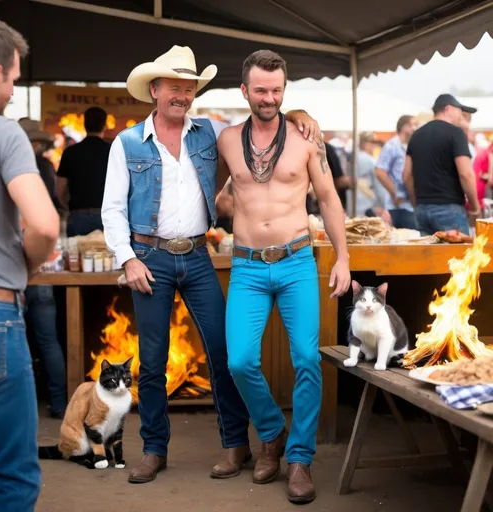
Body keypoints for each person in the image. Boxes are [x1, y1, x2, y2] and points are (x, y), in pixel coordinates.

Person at [101, 45, 321, 484]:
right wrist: (127, 260)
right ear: (154, 90)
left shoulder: (208, 133)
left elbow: (262, 116)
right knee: (153, 362)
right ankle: (154, 449)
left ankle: (236, 444)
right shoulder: (126, 143)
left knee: (225, 355)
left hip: (199, 256)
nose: (182, 95)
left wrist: (297, 111)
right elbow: (112, 210)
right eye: (174, 88)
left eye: (189, 88)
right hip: (149, 258)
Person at [215, 50, 350, 504]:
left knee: (307, 360)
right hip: (248, 266)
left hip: (296, 263)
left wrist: (343, 258)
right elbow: (216, 192)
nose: (269, 98)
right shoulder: (228, 140)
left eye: (277, 90)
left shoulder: (305, 139)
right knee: (239, 361)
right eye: (260, 90)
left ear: (284, 90)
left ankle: (299, 459)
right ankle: (271, 433)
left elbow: (329, 200)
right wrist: (228, 207)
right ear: (244, 91)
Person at [0, 17, 59, 511]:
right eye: (12, 78)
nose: (11, 89)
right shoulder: (4, 135)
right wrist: (24, 270)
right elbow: (45, 225)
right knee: (11, 479)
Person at [18, 118, 67, 419]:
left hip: (18, 265)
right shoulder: (47, 168)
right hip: (47, 262)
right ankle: (60, 402)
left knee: (19, 339)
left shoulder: (13, 167)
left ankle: (24, 406)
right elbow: (58, 206)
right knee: (49, 339)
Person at [403, 94, 481, 235]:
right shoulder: (456, 133)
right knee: (457, 256)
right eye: (459, 112)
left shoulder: (416, 135)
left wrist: (417, 203)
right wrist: (475, 206)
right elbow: (465, 173)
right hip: (449, 209)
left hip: (422, 210)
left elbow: (406, 175)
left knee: (429, 256)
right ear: (448, 109)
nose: (461, 117)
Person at [57, 106, 110, 236]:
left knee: (75, 256)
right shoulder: (113, 151)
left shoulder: (70, 152)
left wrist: (68, 207)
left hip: (78, 217)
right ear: (104, 126)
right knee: (108, 256)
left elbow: (59, 191)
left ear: (84, 125)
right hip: (107, 217)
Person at [375, 115, 417, 229]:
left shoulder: (408, 145)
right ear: (404, 127)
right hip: (397, 206)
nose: (414, 128)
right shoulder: (391, 146)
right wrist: (395, 193)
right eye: (412, 125)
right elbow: (380, 171)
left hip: (407, 205)